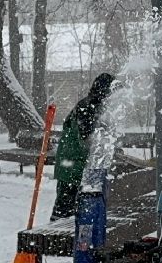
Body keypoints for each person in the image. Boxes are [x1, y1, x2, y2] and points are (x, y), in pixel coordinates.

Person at [50, 72, 117, 221]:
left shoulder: (95, 106)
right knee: (64, 211)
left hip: (75, 163)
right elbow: (86, 139)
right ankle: (53, 240)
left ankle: (64, 238)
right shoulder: (87, 107)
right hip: (71, 164)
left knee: (75, 210)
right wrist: (105, 149)